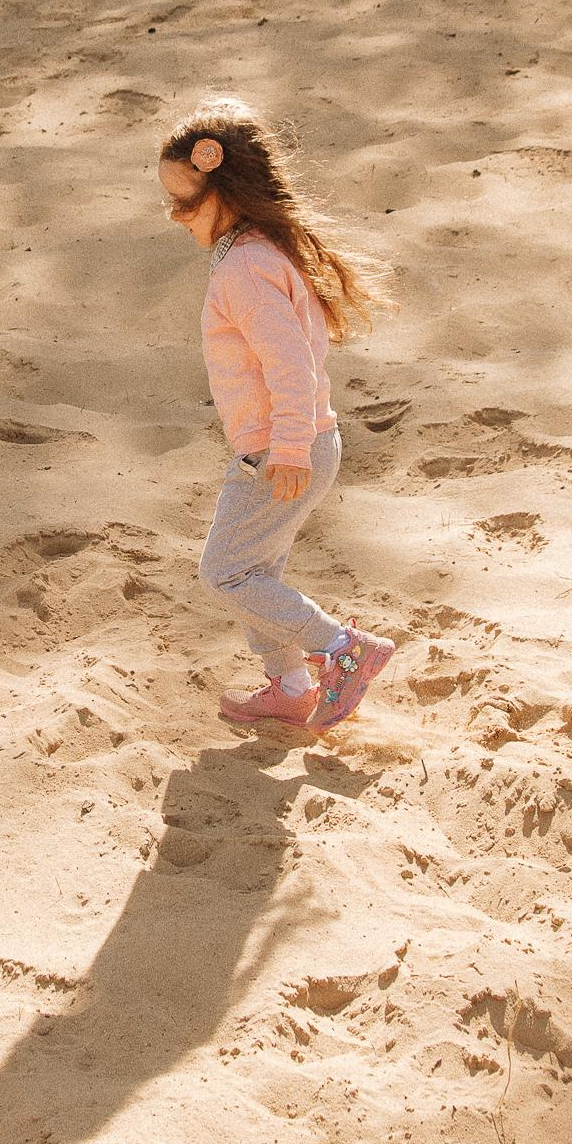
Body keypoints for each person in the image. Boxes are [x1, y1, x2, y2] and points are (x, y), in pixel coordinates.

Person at [158, 103, 396, 729]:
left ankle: (343, 651)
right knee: (258, 573)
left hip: (284, 450)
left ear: (225, 191)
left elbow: (290, 365)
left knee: (226, 573)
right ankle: (290, 686)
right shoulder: (262, 250)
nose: (175, 218)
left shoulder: (245, 270)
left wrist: (287, 448)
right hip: (295, 443)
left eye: (185, 204)